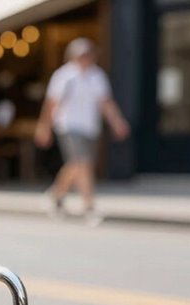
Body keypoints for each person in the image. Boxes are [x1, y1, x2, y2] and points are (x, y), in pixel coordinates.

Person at [35, 37, 129, 225]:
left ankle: (57, 193)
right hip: (68, 126)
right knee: (83, 163)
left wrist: (117, 122)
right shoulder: (64, 76)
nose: (86, 58)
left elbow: (105, 103)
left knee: (75, 164)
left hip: (90, 127)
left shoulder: (97, 76)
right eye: (82, 55)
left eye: (88, 54)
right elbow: (52, 104)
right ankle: (89, 207)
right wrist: (44, 126)